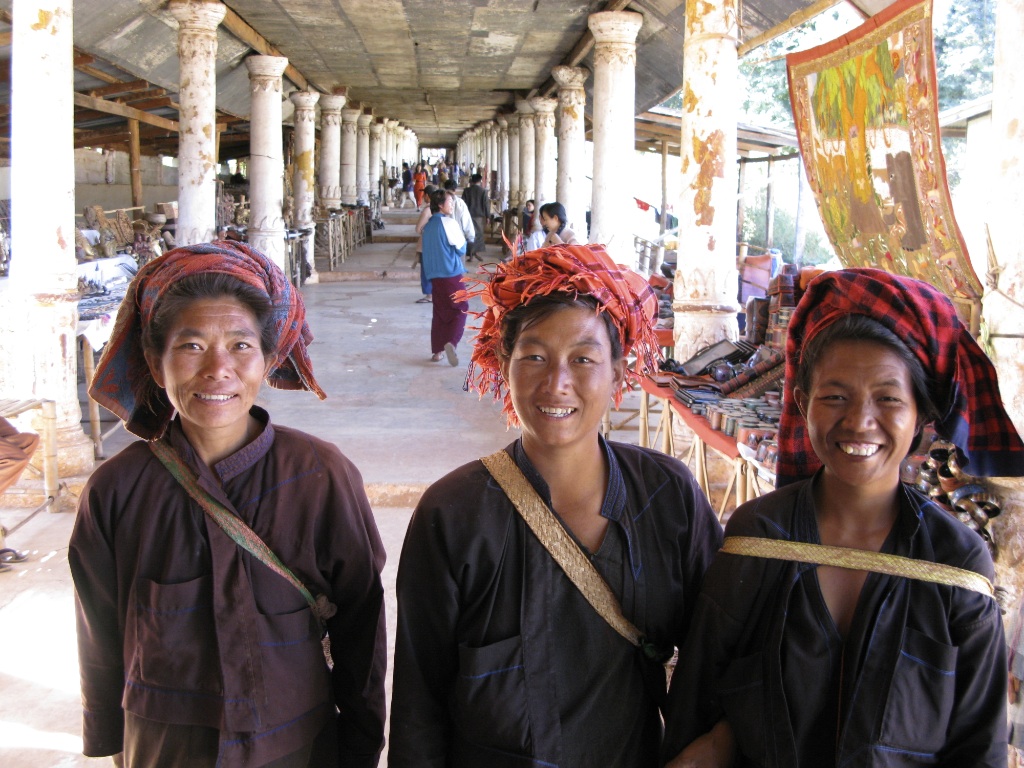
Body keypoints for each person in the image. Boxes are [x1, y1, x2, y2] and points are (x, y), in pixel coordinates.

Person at [662, 268, 1024, 768]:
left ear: (921, 414)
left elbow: (977, 747)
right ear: (802, 402)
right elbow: (696, 708)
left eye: (888, 398)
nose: (858, 421)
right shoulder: (759, 537)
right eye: (835, 397)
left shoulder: (956, 563)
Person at [389, 243, 723, 768]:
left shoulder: (667, 496)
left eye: (584, 359)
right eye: (535, 356)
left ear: (618, 375)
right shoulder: (453, 514)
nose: (557, 382)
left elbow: (721, 653)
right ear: (504, 366)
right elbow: (418, 702)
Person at [72, 241, 388, 768]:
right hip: (163, 749)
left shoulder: (319, 475)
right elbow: (99, 631)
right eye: (191, 346)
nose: (218, 369)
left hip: (296, 745)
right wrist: (107, 736)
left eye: (241, 346)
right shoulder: (116, 490)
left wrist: (360, 744)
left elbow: (362, 627)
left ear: (268, 360)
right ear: (155, 362)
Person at [420, 189, 468, 366]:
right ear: (440, 204)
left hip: (434, 275)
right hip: (451, 273)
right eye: (450, 202)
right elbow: (461, 248)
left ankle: (437, 351)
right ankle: (451, 343)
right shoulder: (448, 223)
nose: (452, 205)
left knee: (440, 312)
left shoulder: (429, 226)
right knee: (461, 307)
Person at [412, 184, 437, 304]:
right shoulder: (439, 208)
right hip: (437, 244)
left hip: (427, 244)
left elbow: (418, 229)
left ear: (427, 196)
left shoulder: (428, 210)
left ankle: (429, 295)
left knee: (426, 270)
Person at [443, 179, 475, 260]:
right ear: (455, 189)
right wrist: (471, 238)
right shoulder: (460, 203)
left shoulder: (440, 202)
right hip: (459, 239)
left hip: (444, 239)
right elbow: (467, 222)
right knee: (459, 266)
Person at [461, 173, 489, 262]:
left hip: (467, 215)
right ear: (480, 181)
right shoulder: (483, 191)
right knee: (478, 234)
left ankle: (470, 254)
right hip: (479, 216)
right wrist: (488, 216)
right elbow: (486, 205)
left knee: (468, 234)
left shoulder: (467, 190)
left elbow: (462, 203)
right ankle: (475, 252)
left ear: (472, 181)